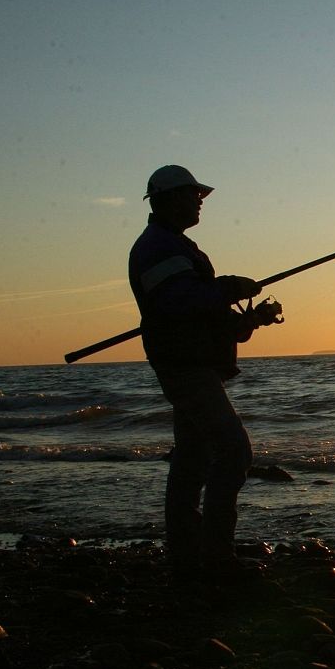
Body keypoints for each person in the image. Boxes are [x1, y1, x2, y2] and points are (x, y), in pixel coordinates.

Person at [128, 164, 282, 581]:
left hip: (195, 364)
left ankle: (186, 553)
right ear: (168, 199)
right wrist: (230, 286)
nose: (200, 201)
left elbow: (200, 314)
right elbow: (180, 301)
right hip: (185, 367)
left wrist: (252, 320)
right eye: (193, 195)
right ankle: (215, 556)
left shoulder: (174, 246)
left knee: (192, 459)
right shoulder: (158, 247)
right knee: (234, 452)